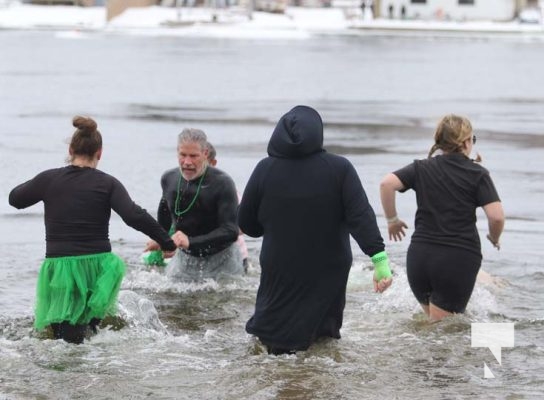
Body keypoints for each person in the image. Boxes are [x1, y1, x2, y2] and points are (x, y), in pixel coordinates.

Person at [238, 105, 392, 355]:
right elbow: (361, 216)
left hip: (281, 264)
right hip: (329, 266)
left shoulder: (265, 169)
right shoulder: (340, 168)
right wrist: (380, 260)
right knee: (323, 336)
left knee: (273, 333)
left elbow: (247, 224)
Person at [8, 116, 177, 344]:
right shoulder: (108, 184)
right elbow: (132, 215)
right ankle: (90, 373)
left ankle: (65, 374)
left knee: (63, 337)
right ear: (100, 153)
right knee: (88, 333)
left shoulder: (49, 179)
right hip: (99, 267)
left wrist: (42, 183)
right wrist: (166, 241)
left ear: (70, 149)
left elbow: (15, 199)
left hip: (61, 267)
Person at [379, 114, 504, 321]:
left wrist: (392, 220)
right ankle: (495, 352)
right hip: (455, 260)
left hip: (419, 259)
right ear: (465, 142)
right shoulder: (477, 174)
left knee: (434, 330)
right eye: (472, 140)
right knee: (444, 335)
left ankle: (416, 354)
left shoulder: (421, 168)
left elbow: (386, 184)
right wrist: (494, 237)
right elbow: (497, 217)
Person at [146, 128, 243, 282]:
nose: (187, 162)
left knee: (223, 301)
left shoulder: (223, 183)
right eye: (183, 155)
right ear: (177, 152)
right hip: (186, 257)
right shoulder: (169, 179)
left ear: (205, 154)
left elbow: (231, 230)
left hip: (223, 258)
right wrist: (161, 238)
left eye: (193, 156)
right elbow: (164, 213)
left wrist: (191, 242)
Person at [205, 141, 251, 273]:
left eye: (203, 163)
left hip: (235, 256)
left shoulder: (226, 189)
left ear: (213, 163)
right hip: (203, 256)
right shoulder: (184, 189)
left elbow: (243, 225)